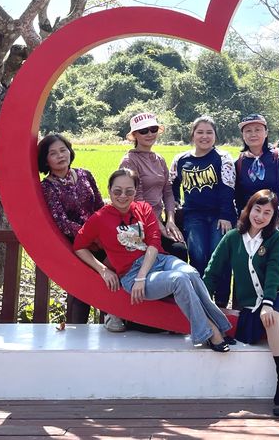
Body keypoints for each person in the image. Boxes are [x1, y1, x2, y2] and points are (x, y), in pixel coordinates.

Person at [74, 168, 233, 351]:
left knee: (191, 273)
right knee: (179, 280)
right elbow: (79, 246)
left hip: (158, 260)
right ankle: (211, 332)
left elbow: (154, 242)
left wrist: (143, 276)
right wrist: (103, 269)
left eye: (129, 191)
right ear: (109, 190)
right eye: (117, 191)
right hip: (131, 275)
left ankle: (220, 326)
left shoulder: (143, 208)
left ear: (135, 191)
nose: (123, 196)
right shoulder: (99, 218)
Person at [204, 190, 279, 419]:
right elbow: (212, 270)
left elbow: (275, 270)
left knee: (273, 318)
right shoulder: (232, 238)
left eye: (267, 213)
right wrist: (203, 301)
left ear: (273, 217)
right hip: (253, 304)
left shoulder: (275, 237)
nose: (260, 216)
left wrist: (267, 303)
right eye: (257, 210)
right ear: (248, 210)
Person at [38, 133, 104, 325]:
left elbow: (100, 207)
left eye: (63, 150)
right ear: (46, 160)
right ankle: (77, 334)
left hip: (102, 241)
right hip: (76, 246)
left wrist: (103, 233)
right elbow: (61, 221)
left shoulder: (85, 174)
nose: (60, 155)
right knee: (81, 292)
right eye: (53, 153)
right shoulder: (47, 187)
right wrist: (90, 237)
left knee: (110, 283)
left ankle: (111, 327)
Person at [170, 115, 236, 281]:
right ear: (192, 135)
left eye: (209, 132)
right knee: (197, 255)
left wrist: (225, 215)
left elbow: (228, 187)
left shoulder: (223, 158)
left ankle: (221, 296)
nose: (204, 136)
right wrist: (175, 202)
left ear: (215, 135)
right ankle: (199, 293)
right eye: (200, 132)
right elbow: (172, 184)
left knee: (219, 255)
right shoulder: (180, 159)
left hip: (219, 216)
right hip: (193, 215)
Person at [120, 111, 187, 261]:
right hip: (139, 224)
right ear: (135, 135)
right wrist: (160, 227)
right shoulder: (129, 161)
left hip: (159, 220)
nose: (150, 134)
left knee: (181, 248)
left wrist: (170, 221)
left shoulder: (159, 159)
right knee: (175, 251)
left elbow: (167, 191)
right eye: (144, 131)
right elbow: (137, 199)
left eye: (153, 129)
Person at [234, 114, 279, 244]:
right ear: (243, 135)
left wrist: (278, 215)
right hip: (252, 218)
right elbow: (239, 195)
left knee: (271, 249)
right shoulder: (240, 162)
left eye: (258, 129)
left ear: (266, 132)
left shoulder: (278, 156)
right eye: (248, 131)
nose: (253, 134)